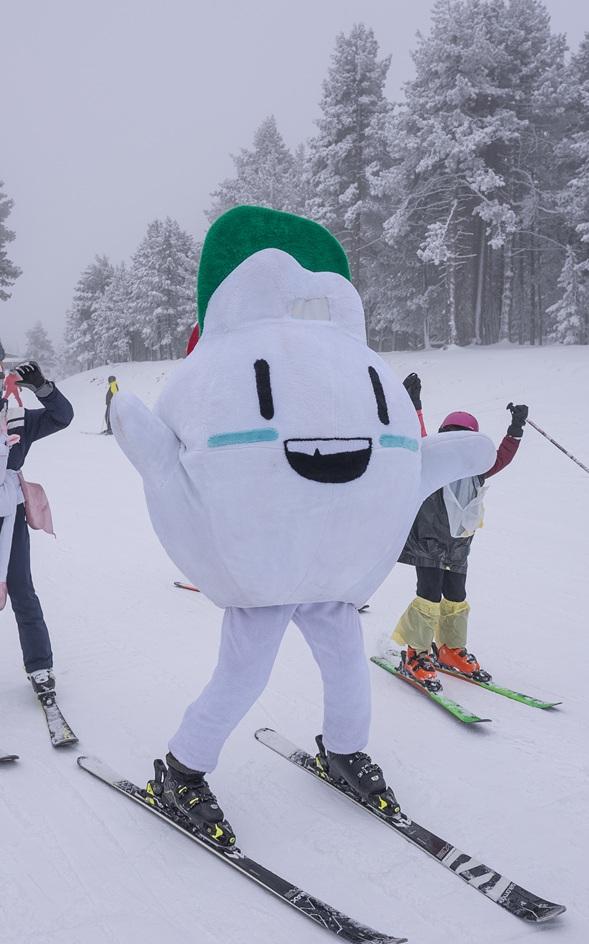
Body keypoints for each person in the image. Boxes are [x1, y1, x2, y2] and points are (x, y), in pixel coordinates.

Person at [111, 206, 495, 844]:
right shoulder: (227, 358)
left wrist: (441, 459)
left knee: (346, 667)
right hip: (262, 582)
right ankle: (181, 770)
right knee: (244, 675)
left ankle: (344, 749)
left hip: (332, 581)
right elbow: (166, 459)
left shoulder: (349, 354)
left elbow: (405, 467)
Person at [381, 373, 528, 689]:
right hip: (428, 544)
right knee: (429, 595)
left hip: (459, 547)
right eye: (450, 436)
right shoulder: (434, 464)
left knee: (456, 597)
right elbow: (419, 435)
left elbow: (501, 457)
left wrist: (515, 430)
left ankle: (450, 649)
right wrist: (414, 403)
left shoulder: (478, 470)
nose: (456, 444)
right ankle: (416, 653)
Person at [0, 360, 73, 695]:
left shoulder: (17, 417)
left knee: (22, 590)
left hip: (9, 516)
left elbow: (62, 416)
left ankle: (40, 667)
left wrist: (44, 389)